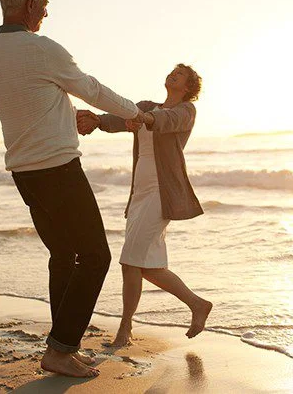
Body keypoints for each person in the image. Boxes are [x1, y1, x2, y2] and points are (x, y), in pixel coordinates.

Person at [0, 0, 144, 378]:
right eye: (46, 5)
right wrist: (137, 114)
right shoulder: (41, 48)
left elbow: (31, 111)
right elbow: (93, 87)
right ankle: (60, 349)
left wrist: (73, 119)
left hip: (25, 174)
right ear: (31, 4)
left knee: (64, 255)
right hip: (58, 171)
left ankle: (62, 346)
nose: (47, 14)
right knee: (96, 256)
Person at [76, 64, 212, 347]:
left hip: (162, 194)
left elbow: (167, 120)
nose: (173, 75)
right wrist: (97, 120)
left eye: (180, 75)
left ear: (187, 88)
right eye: (172, 72)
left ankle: (125, 330)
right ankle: (197, 304)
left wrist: (142, 118)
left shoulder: (186, 111)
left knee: (130, 261)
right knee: (143, 266)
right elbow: (119, 118)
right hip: (139, 193)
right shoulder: (147, 106)